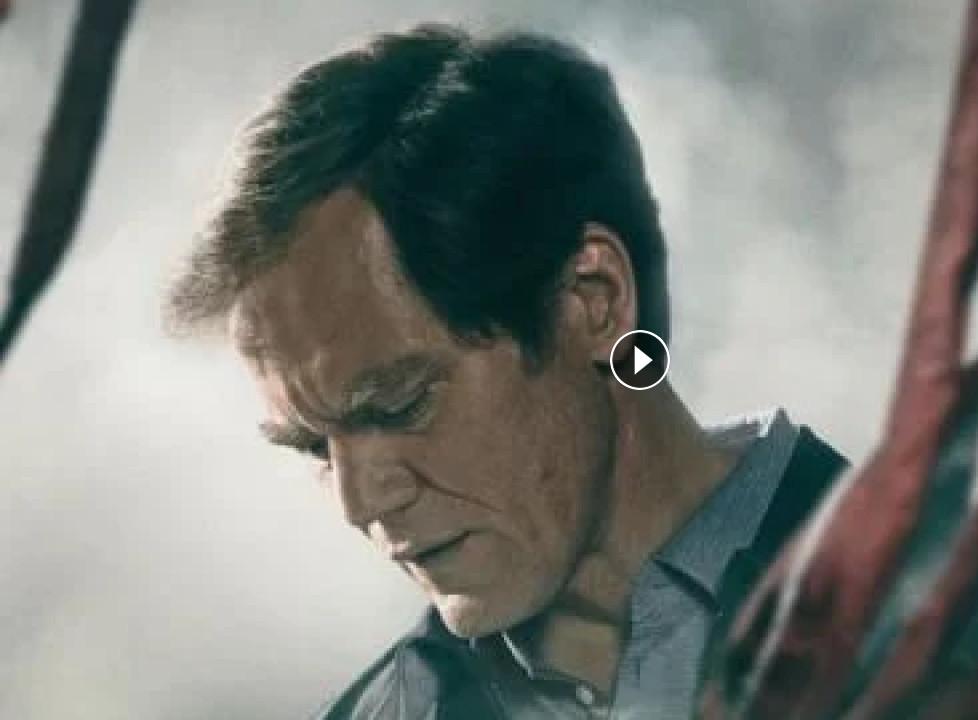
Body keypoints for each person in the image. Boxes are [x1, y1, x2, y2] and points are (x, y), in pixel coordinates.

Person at [168, 23, 847, 719]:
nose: (359, 503)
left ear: (593, 300)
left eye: (400, 405)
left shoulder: (910, 602)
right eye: (315, 446)